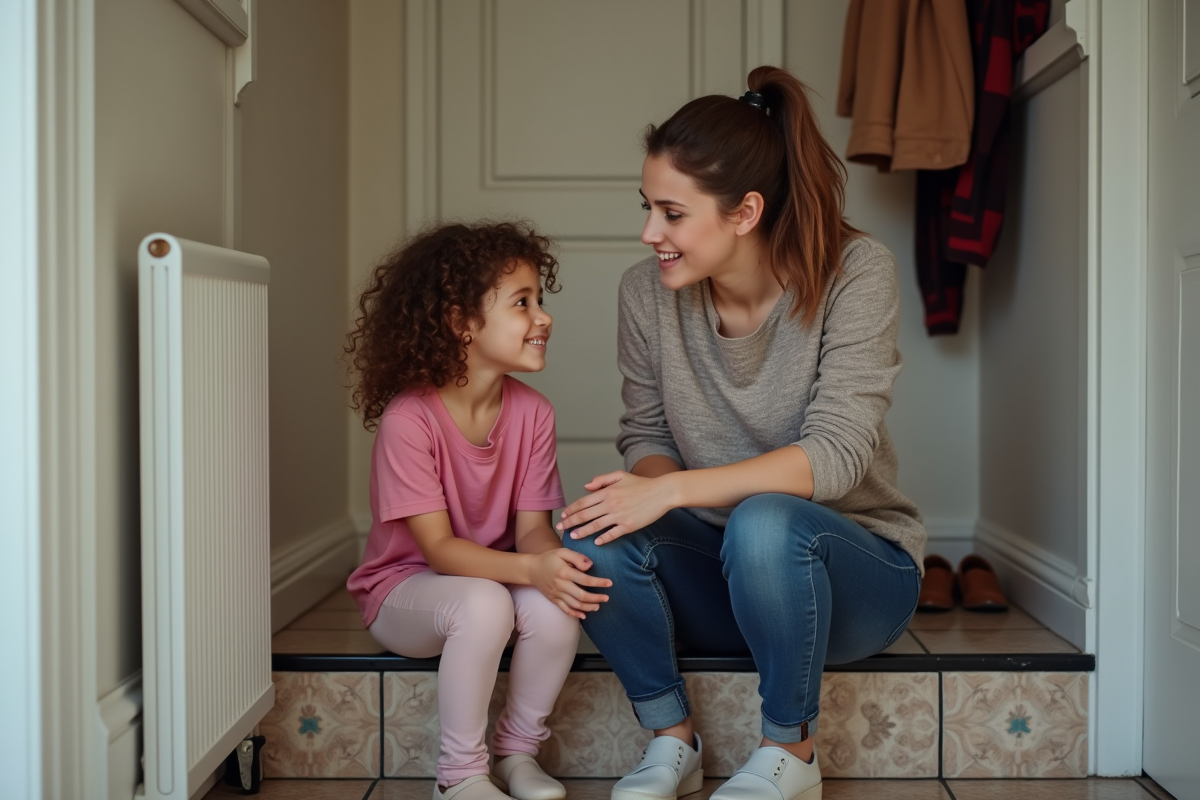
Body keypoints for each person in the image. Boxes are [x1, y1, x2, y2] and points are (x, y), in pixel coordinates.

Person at [558, 67, 926, 800]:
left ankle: (791, 749)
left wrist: (675, 493)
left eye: (671, 213)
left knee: (765, 523)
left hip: (852, 582)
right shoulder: (645, 292)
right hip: (721, 574)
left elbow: (837, 456)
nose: (649, 233)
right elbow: (647, 434)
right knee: (588, 531)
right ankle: (672, 740)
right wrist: (648, 494)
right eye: (647, 208)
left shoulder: (857, 273)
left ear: (745, 211)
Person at [345, 222, 612, 800]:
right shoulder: (408, 420)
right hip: (403, 590)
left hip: (491, 581)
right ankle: (460, 775)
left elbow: (533, 531)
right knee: (486, 603)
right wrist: (529, 569)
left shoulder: (534, 413)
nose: (543, 317)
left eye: (540, 300)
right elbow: (440, 551)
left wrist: (553, 567)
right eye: (522, 302)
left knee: (554, 606)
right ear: (461, 322)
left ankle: (517, 753)